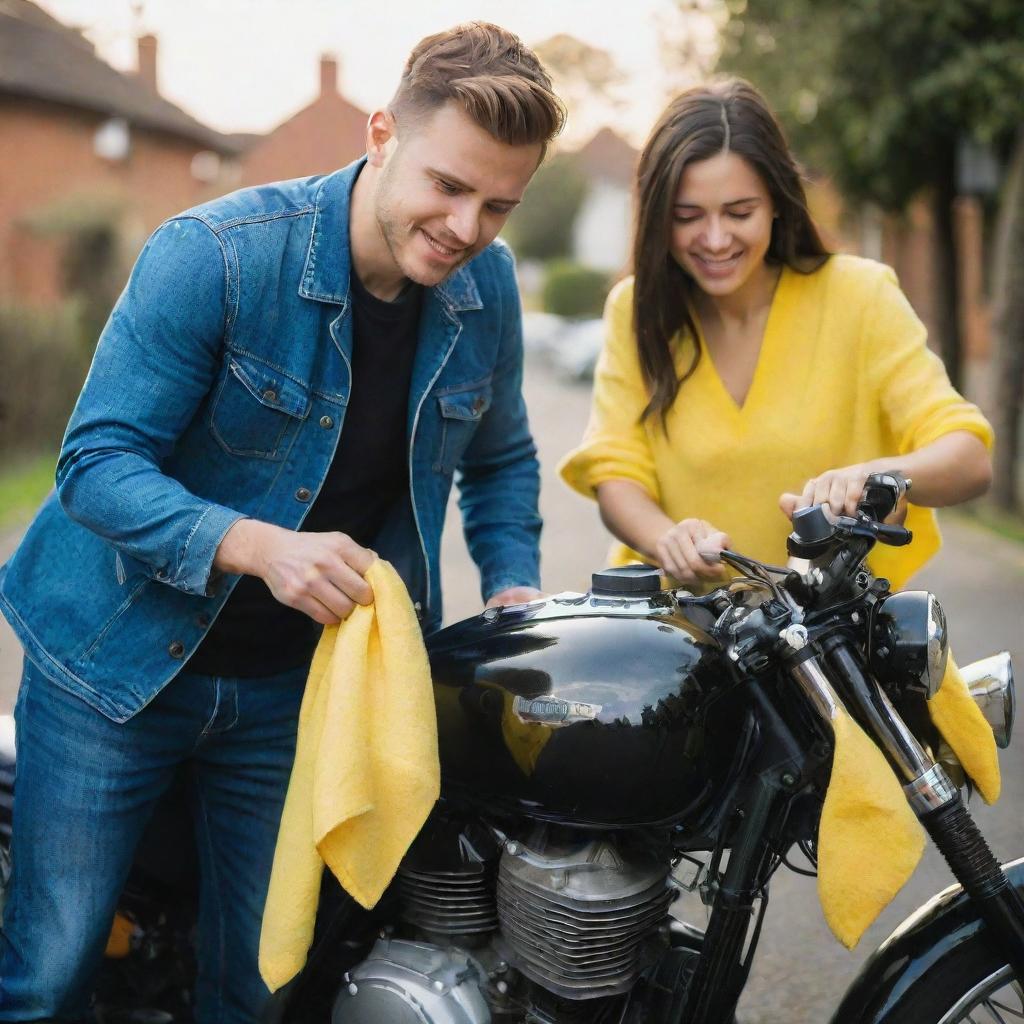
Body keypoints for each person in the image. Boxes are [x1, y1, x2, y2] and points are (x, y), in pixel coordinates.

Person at [0, 23, 564, 1021]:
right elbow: (94, 465)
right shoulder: (214, 255)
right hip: (115, 669)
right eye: (447, 186)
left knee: (260, 989)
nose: (467, 225)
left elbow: (503, 458)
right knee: (50, 976)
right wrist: (260, 547)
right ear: (383, 132)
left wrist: (513, 580)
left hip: (296, 692)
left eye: (498, 205)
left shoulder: (489, 284)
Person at [560, 78, 992, 590]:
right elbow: (615, 471)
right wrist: (667, 538)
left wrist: (876, 475)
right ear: (657, 218)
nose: (716, 239)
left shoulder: (859, 294)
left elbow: (968, 457)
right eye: (687, 217)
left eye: (739, 213)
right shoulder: (636, 310)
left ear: (778, 202)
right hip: (684, 647)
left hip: (841, 647)